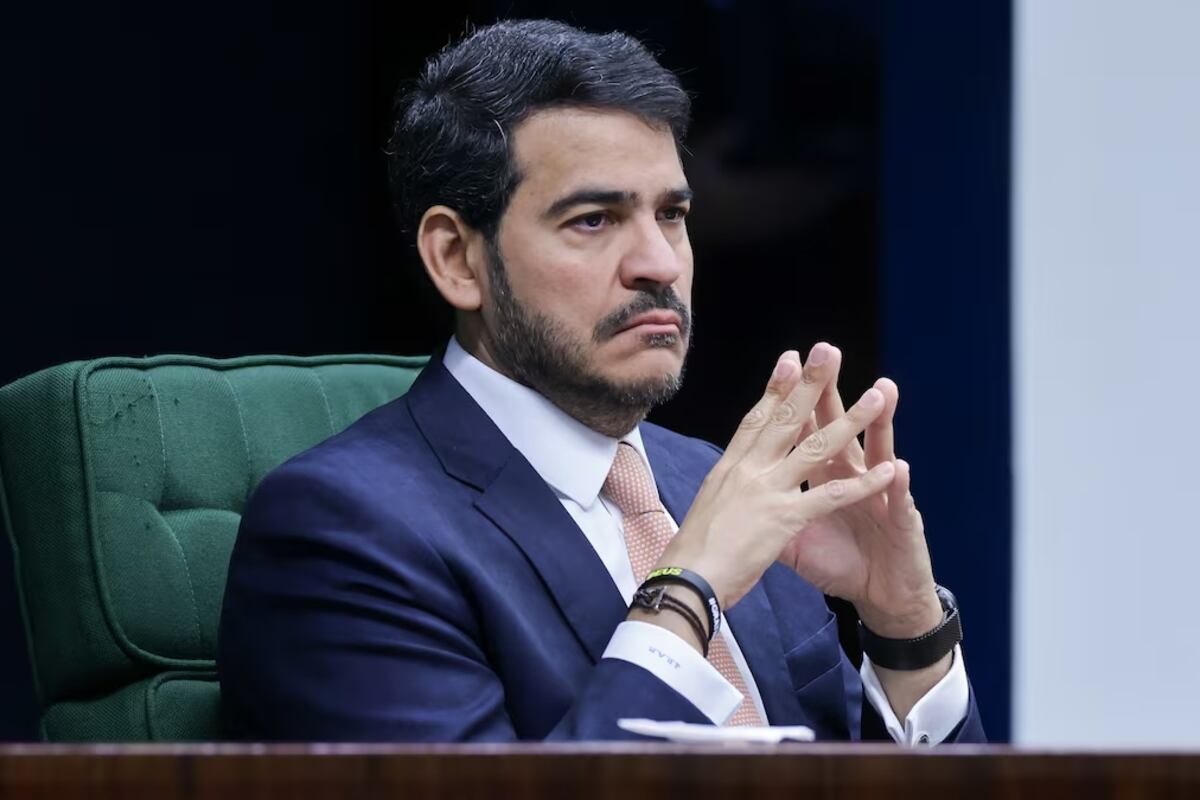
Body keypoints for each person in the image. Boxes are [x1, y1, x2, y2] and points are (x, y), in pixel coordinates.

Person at [217, 19, 984, 744]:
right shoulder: (342, 531)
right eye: (593, 219)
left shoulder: (727, 489)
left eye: (672, 214)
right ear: (456, 259)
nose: (659, 262)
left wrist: (906, 628)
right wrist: (688, 585)